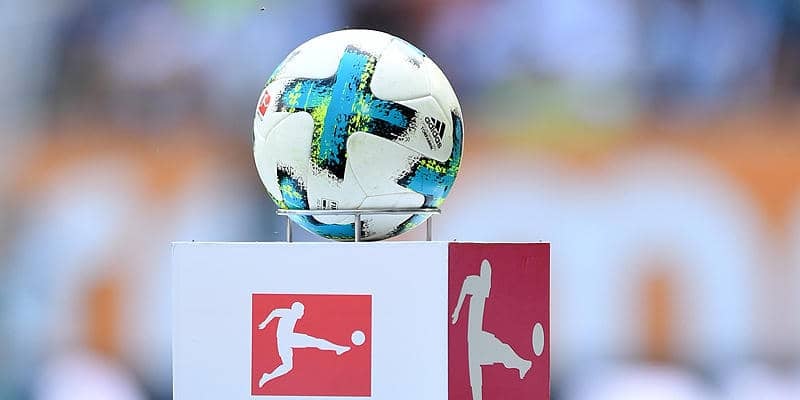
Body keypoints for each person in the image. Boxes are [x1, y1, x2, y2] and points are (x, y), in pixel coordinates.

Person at [452, 259, 531, 400]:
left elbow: (465, 286)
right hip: (474, 336)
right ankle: (521, 364)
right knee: (485, 359)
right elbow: (465, 285)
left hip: (475, 336)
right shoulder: (478, 284)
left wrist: (458, 309)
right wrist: (457, 310)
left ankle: (522, 364)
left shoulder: (482, 289)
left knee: (495, 353)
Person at [257, 301, 350, 387]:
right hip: (288, 338)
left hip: (283, 342)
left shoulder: (292, 315)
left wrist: (266, 323)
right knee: (316, 342)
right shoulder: (289, 312)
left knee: (288, 366)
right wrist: (265, 323)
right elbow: (275, 312)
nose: (302, 313)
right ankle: (338, 348)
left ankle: (267, 377)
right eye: (302, 311)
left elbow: (275, 313)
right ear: (296, 310)